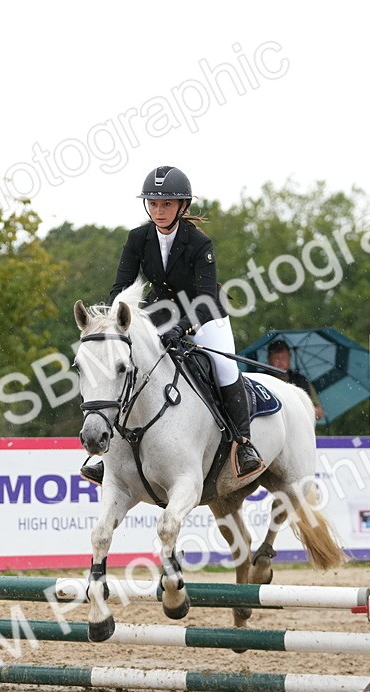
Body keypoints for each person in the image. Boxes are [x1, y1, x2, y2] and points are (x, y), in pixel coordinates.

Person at [81, 166, 261, 486]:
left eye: (166, 204)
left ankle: (243, 443)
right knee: (125, 365)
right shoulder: (138, 238)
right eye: (153, 203)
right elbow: (120, 287)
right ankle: (110, 453)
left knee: (222, 367)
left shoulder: (198, 243)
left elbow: (204, 299)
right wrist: (115, 320)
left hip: (205, 314)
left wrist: (185, 328)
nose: (159, 211)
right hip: (159, 311)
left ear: (182, 206)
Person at [262, 339, 324, 421]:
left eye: (283, 357)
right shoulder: (262, 380)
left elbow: (318, 412)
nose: (280, 361)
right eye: (276, 357)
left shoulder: (302, 381)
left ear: (289, 357)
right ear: (269, 358)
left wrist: (300, 410)